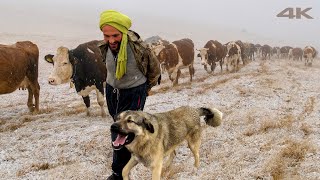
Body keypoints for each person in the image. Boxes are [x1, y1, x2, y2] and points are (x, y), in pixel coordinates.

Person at [98, 10, 161, 180]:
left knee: (124, 131)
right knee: (117, 125)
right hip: (112, 91)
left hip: (134, 92)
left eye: (115, 35)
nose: (111, 40)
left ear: (123, 32)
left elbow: (155, 71)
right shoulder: (104, 47)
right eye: (106, 36)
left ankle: (118, 173)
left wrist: (144, 90)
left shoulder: (139, 48)